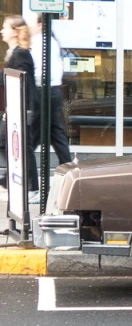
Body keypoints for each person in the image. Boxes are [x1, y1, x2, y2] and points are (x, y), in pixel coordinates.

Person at [26, 13, 72, 203]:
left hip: (41, 93)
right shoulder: (52, 41)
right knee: (57, 136)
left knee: (29, 141)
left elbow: (36, 71)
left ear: (39, 24)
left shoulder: (40, 42)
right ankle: (71, 174)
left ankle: (32, 188)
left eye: (31, 21)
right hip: (53, 91)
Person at [0, 16, 37, 194]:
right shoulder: (15, 53)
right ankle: (10, 179)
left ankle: (31, 187)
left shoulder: (21, 54)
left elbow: (24, 83)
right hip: (15, 109)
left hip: (21, 110)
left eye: (5, 28)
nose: (1, 31)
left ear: (14, 32)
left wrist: (24, 110)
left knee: (23, 146)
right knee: (12, 143)